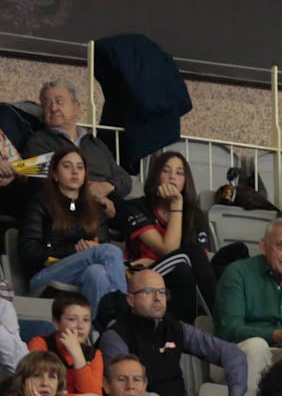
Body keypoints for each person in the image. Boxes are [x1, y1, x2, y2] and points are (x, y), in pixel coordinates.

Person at [96, 267, 246, 396]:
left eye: (162, 292)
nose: (158, 298)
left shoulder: (175, 328)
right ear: (131, 300)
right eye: (149, 292)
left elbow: (233, 353)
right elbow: (127, 392)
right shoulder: (116, 336)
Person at [17, 144, 126, 311]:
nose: (75, 172)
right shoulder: (39, 203)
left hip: (83, 271)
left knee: (97, 273)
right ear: (54, 174)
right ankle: (124, 319)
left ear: (85, 175)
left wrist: (93, 248)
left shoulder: (94, 207)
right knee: (110, 252)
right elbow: (28, 252)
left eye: (80, 167)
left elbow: (102, 244)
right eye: (67, 166)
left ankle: (99, 333)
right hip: (45, 274)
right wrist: (74, 249)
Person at [214, 219, 282, 372]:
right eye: (280, 245)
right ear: (264, 247)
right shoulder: (237, 274)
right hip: (235, 355)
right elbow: (229, 330)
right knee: (257, 346)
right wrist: (275, 335)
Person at [121, 149, 214, 321]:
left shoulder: (195, 215)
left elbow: (200, 261)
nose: (173, 177)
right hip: (147, 274)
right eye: (166, 171)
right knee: (189, 255)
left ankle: (186, 331)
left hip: (179, 270)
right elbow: (168, 250)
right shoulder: (136, 207)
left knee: (233, 253)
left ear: (186, 181)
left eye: (179, 173)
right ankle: (219, 318)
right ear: (156, 176)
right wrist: (176, 205)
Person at [20, 82, 132, 214]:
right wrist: (90, 195)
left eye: (59, 101)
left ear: (76, 108)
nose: (53, 108)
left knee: (136, 212)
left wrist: (108, 186)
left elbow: (125, 179)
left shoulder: (96, 144)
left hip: (107, 206)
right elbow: (41, 182)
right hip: (67, 209)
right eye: (47, 104)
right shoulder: (38, 142)